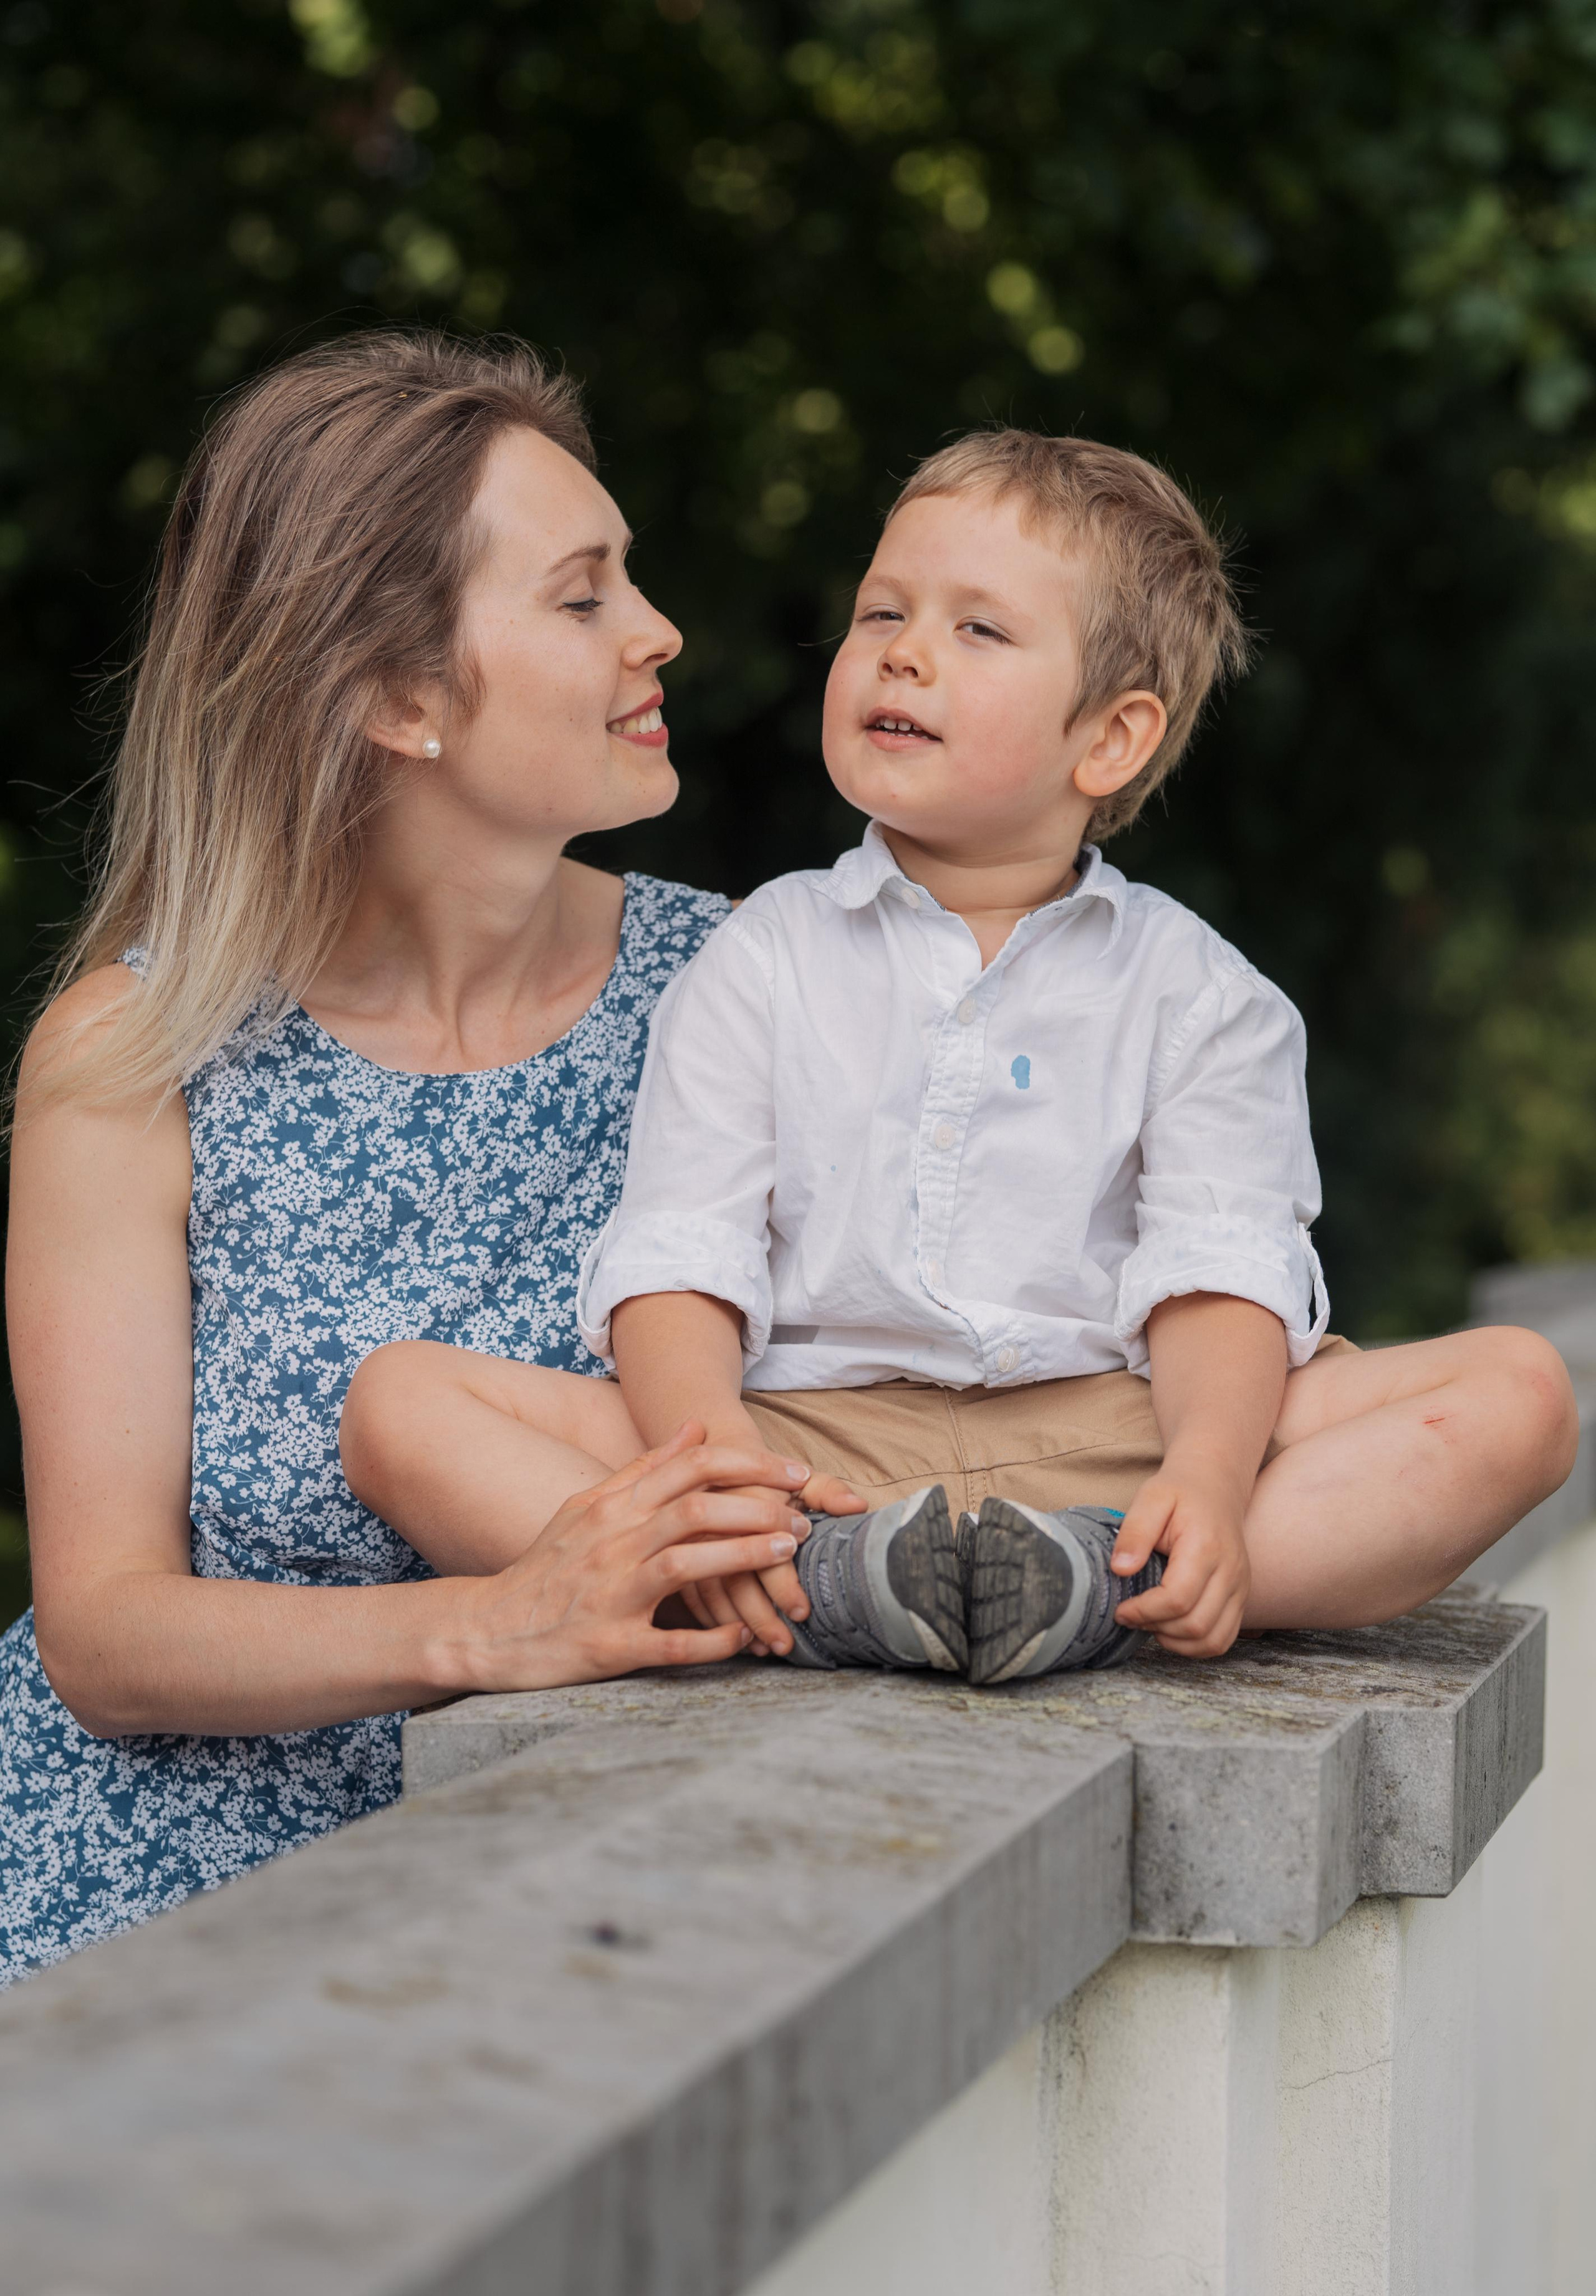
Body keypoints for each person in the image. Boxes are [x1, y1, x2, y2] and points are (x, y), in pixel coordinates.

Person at [340, 428, 1579, 1686]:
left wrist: (1204, 1481)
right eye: (881, 610)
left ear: (1107, 740)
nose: (902, 649)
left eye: (976, 632)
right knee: (401, 1410)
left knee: (1518, 1397)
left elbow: (1219, 1274)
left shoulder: (1197, 994)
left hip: (1116, 1431)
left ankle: (1117, 1578)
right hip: (800, 1443)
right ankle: (821, 1584)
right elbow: (681, 1255)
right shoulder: (761, 954)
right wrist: (710, 1470)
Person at [0, 331, 813, 1989]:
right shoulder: (131, 1052)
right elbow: (104, 1628)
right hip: (129, 1922)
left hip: (583, 1922)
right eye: (583, 594)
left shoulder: (758, 996)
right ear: (396, 695)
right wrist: (490, 1629)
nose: (658, 632)